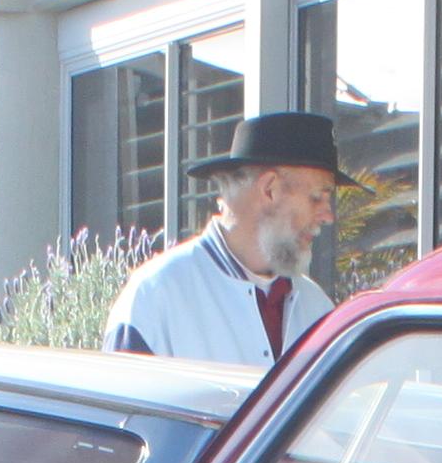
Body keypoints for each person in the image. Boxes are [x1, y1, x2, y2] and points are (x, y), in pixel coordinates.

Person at [104, 111, 341, 364]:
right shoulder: (156, 295)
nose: (328, 216)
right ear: (269, 189)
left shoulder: (319, 310)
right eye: (316, 197)